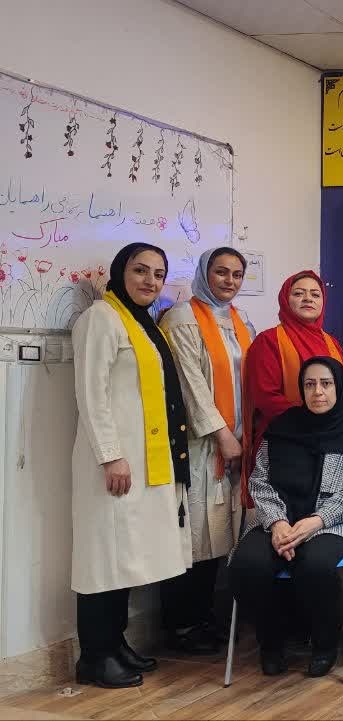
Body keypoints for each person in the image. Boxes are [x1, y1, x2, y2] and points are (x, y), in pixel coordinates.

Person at [70, 243, 192, 688]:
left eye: (158, 274)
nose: (150, 281)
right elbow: (91, 393)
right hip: (112, 464)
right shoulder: (100, 319)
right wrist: (110, 454)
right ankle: (93, 656)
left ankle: (114, 643)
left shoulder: (142, 324)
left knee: (124, 557)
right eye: (141, 270)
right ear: (121, 271)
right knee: (102, 559)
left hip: (140, 463)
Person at [228, 357, 343, 678]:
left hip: (335, 523)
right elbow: (260, 481)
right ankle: (271, 643)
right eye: (310, 384)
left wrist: (316, 520)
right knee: (247, 564)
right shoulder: (282, 427)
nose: (318, 392)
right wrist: (278, 522)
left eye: (326, 384)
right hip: (278, 521)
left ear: (338, 387)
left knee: (315, 564)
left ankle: (325, 644)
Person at [157, 247, 257, 655]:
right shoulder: (182, 318)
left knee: (218, 536)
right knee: (193, 536)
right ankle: (181, 624)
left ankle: (204, 619)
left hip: (238, 443)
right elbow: (191, 385)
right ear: (204, 273)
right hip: (202, 445)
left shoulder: (240, 321)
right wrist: (221, 434)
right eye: (221, 272)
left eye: (236, 274)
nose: (229, 281)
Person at [241, 270, 343, 507]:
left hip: (328, 442)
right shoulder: (268, 341)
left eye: (315, 294)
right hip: (283, 440)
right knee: (282, 513)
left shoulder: (333, 343)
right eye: (299, 293)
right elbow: (266, 397)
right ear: (285, 299)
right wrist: (311, 426)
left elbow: (341, 393)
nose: (308, 299)